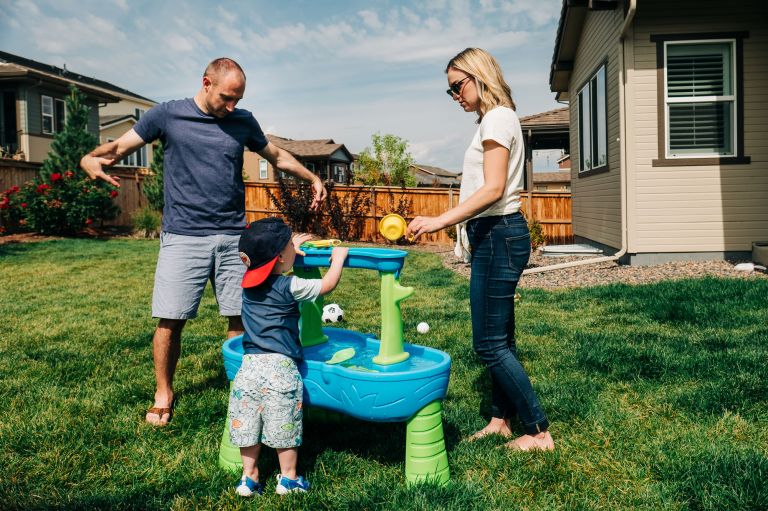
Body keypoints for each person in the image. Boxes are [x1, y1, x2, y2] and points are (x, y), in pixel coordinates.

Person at [79, 58, 327, 426]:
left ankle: (241, 389)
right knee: (171, 319)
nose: (232, 106)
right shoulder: (167, 115)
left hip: (232, 237)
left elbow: (275, 155)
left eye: (238, 99)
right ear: (206, 83)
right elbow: (118, 147)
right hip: (183, 236)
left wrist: (311, 177)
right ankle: (163, 391)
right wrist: (89, 158)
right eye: (227, 97)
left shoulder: (242, 121)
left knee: (240, 316)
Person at [407, 48, 554, 451]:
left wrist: (439, 221)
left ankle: (538, 431)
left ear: (479, 76)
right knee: (501, 339)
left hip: (500, 234)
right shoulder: (495, 119)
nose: (455, 94)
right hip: (497, 234)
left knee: (488, 344)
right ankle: (499, 419)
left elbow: (491, 189)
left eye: (458, 85)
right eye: (449, 90)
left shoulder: (496, 118)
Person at [228, 217, 348, 497]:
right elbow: (327, 285)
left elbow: (267, 264)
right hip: (280, 367)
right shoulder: (290, 285)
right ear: (281, 257)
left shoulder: (246, 286)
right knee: (285, 423)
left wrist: (288, 249)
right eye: (289, 246)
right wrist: (338, 258)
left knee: (248, 422)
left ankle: (249, 477)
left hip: (249, 366)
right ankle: (289, 478)